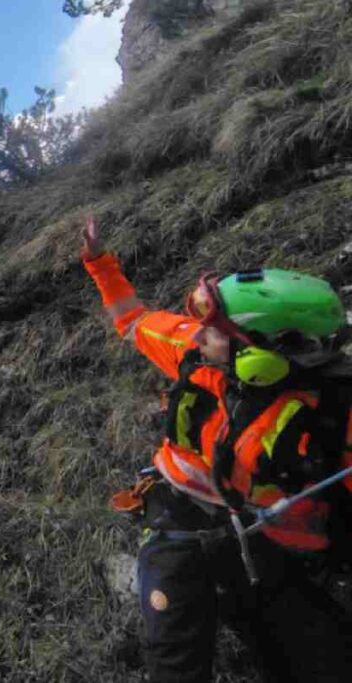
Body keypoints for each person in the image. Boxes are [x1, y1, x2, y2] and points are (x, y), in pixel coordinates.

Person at [80, 214, 352, 682]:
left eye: (213, 329)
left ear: (262, 353)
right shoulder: (196, 354)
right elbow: (132, 320)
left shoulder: (332, 411)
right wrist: (99, 264)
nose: (196, 333)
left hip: (269, 545)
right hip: (176, 521)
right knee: (176, 664)